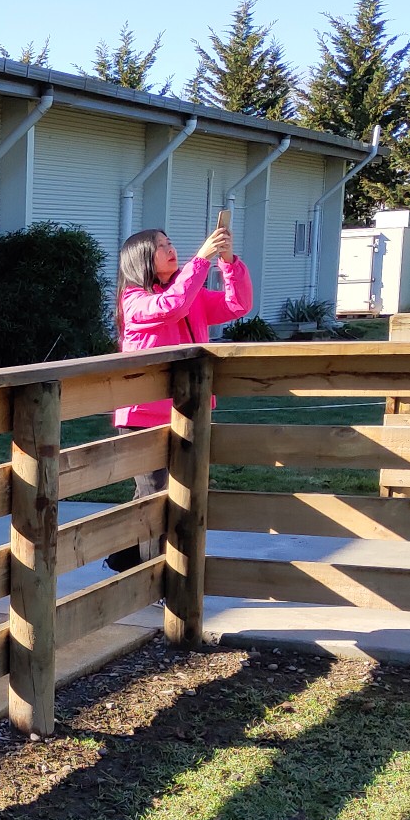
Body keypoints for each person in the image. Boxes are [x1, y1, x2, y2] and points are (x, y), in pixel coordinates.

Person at [103, 224, 251, 571]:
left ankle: (123, 557)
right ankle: (158, 578)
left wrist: (228, 262)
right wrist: (201, 260)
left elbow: (237, 304)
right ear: (142, 259)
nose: (172, 250)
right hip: (142, 417)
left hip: (187, 411)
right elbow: (172, 307)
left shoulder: (190, 291)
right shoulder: (134, 300)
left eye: (171, 243)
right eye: (161, 246)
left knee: (171, 493)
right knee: (159, 497)